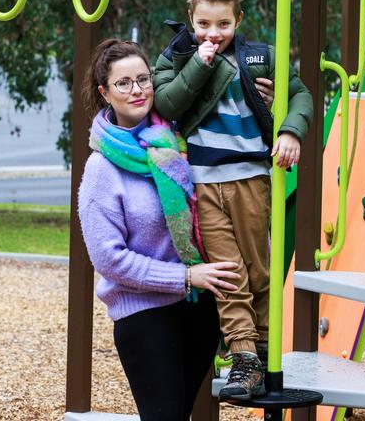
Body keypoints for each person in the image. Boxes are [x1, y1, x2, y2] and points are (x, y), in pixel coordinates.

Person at [153, 0, 313, 401]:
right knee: (228, 274)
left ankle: (259, 346)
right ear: (191, 18)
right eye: (204, 24)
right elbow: (166, 103)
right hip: (204, 184)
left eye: (223, 24)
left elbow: (300, 95)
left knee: (257, 270)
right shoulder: (177, 56)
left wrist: (290, 130)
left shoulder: (260, 58)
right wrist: (199, 64)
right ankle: (243, 355)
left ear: (238, 20)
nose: (213, 34)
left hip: (251, 179)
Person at [78, 38, 242, 420]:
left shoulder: (178, 140)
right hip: (145, 316)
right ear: (105, 92)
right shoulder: (102, 170)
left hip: (199, 309)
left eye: (144, 78)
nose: (137, 90)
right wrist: (185, 276)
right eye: (124, 83)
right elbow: (110, 260)